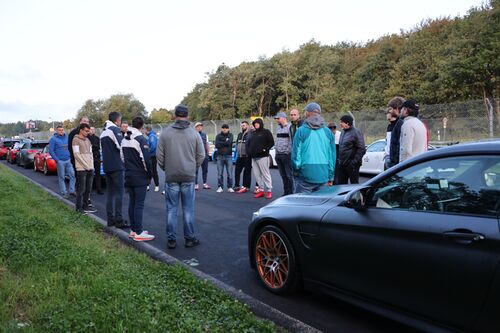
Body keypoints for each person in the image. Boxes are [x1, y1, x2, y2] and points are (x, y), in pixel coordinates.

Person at [157, 104, 205, 249]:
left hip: (171, 176)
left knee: (171, 209)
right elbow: (201, 155)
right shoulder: (194, 134)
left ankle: (171, 240)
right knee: (188, 209)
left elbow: (159, 156)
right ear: (187, 116)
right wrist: (193, 168)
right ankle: (189, 238)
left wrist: (167, 168)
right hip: (188, 176)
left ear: (174, 115)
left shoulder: (165, 133)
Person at [121, 117, 155, 242]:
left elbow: (122, 157)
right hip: (139, 175)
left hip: (129, 174)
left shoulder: (124, 139)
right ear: (142, 126)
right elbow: (146, 160)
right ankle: (139, 232)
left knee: (132, 202)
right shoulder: (140, 139)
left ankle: (134, 230)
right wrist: (149, 174)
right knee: (139, 204)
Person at [292, 102, 335, 193]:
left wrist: (296, 170)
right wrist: (331, 175)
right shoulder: (327, 132)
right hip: (323, 174)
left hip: (306, 173)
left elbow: (296, 155)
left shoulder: (301, 131)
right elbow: (332, 156)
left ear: (307, 113)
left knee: (302, 204)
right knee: (320, 205)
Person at [100, 112, 129, 228]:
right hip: (117, 166)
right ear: (117, 120)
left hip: (107, 166)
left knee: (110, 194)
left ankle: (110, 219)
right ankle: (119, 219)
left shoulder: (103, 133)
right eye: (120, 120)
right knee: (119, 194)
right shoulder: (114, 129)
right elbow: (122, 146)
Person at [72, 123, 97, 214]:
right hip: (81, 169)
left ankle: (86, 206)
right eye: (86, 131)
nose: (87, 132)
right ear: (81, 130)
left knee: (88, 189)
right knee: (81, 189)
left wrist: (91, 166)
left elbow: (91, 154)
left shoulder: (88, 140)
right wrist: (86, 166)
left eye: (88, 131)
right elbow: (76, 155)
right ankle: (79, 208)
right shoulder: (75, 140)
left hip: (90, 168)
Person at [247, 118, 274, 199]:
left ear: (261, 124)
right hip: (254, 157)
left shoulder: (266, 132)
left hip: (263, 156)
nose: (256, 125)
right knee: (257, 175)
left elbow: (271, 142)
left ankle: (269, 190)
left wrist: (265, 149)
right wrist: (250, 152)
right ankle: (261, 190)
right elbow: (250, 143)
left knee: (265, 174)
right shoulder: (253, 133)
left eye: (257, 123)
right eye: (255, 124)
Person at [337, 115, 366, 184]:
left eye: (342, 122)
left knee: (354, 185)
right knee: (341, 186)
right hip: (342, 165)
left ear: (347, 123)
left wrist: (353, 162)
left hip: (352, 166)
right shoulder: (343, 132)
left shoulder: (356, 132)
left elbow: (362, 149)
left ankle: (357, 195)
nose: (340, 123)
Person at [49, 125, 76, 199]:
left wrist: (70, 156)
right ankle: (64, 192)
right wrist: (57, 160)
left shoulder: (67, 138)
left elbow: (70, 147)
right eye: (59, 130)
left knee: (72, 175)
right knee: (62, 177)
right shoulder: (53, 139)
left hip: (68, 160)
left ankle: (72, 190)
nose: (61, 131)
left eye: (62, 130)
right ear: (57, 131)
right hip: (60, 161)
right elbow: (51, 151)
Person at [274, 112, 294, 195]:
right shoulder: (278, 128)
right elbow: (277, 140)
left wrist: (287, 151)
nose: (277, 120)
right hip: (278, 154)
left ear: (283, 118)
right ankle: (286, 192)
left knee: (289, 175)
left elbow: (291, 141)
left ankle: (291, 192)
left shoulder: (290, 127)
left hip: (286, 155)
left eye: (278, 118)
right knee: (283, 176)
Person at [215, 124, 234, 193]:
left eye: (226, 128)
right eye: (223, 128)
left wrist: (222, 142)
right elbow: (217, 145)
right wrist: (225, 142)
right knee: (220, 173)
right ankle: (220, 187)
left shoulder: (231, 135)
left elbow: (229, 142)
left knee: (230, 173)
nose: (224, 129)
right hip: (220, 157)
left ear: (228, 129)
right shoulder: (218, 136)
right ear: (221, 129)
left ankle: (230, 187)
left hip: (228, 156)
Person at [387, 96, 405, 168]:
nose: (390, 111)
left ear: (397, 108)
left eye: (391, 109)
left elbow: (399, 145)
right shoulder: (398, 123)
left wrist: (394, 163)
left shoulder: (401, 123)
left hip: (398, 164)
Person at [234, 121, 252, 193]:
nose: (242, 127)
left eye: (244, 125)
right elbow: (237, 143)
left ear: (247, 126)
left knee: (247, 173)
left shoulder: (250, 134)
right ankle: (236, 185)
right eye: (242, 126)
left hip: (247, 156)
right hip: (239, 156)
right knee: (237, 172)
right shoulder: (239, 134)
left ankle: (246, 186)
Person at [194, 122, 210, 190]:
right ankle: (196, 184)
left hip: (204, 155)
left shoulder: (205, 135)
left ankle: (205, 183)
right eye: (198, 126)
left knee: (205, 170)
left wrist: (208, 154)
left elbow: (207, 144)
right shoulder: (193, 135)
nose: (199, 127)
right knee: (195, 171)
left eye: (200, 126)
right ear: (195, 128)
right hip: (196, 156)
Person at [88, 127, 103, 195]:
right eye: (91, 129)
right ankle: (89, 190)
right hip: (89, 158)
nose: (92, 130)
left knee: (98, 174)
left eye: (93, 129)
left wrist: (92, 145)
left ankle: (99, 189)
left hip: (97, 157)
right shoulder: (86, 138)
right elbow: (88, 147)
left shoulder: (97, 138)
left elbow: (98, 147)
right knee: (89, 174)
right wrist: (93, 146)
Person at [145, 126, 160, 192]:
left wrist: (147, 152)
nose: (144, 132)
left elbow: (153, 146)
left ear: (147, 130)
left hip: (152, 156)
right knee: (149, 171)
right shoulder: (151, 136)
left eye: (145, 130)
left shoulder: (152, 136)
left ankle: (157, 185)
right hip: (151, 156)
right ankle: (147, 185)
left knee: (153, 171)